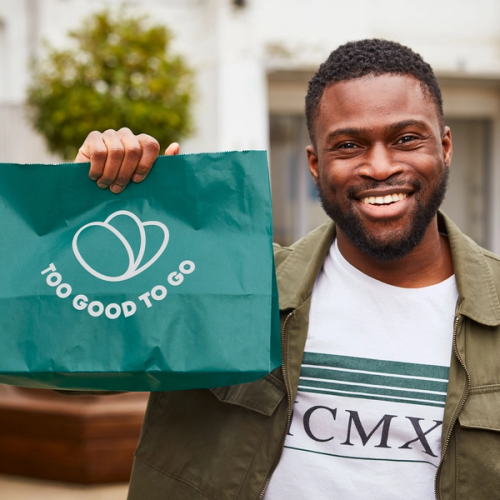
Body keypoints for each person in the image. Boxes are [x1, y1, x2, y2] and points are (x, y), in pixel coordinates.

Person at [75, 39, 500, 500]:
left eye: (406, 139)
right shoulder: (225, 287)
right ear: (315, 165)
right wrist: (85, 214)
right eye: (349, 145)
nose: (380, 167)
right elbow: (76, 365)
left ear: (445, 147)